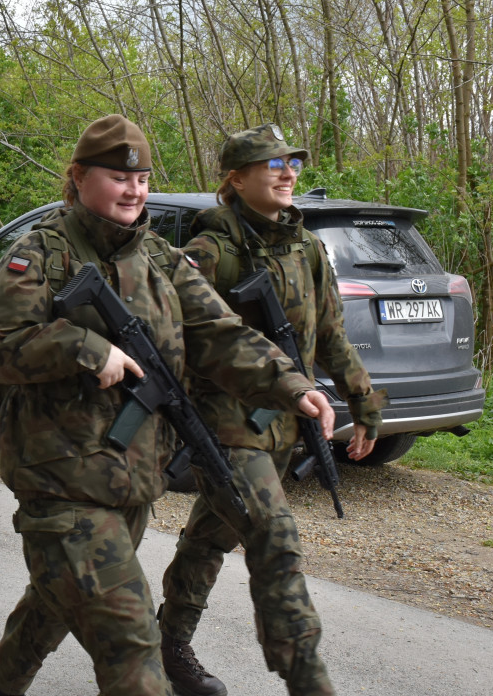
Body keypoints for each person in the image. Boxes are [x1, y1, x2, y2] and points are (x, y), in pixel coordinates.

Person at [0, 114, 335, 696]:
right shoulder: (40, 252)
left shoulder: (162, 259)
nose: (134, 190)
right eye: (118, 177)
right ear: (79, 177)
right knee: (133, 646)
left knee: (52, 606)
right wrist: (86, 347)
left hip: (131, 482)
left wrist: (292, 385)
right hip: (59, 483)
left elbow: (220, 333)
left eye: (140, 178)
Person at [155, 123, 386, 696]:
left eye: (294, 165)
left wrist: (364, 401)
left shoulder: (306, 246)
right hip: (227, 427)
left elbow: (330, 333)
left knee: (210, 538)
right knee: (275, 538)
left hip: (285, 423)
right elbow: (181, 339)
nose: (288, 174)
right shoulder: (211, 251)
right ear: (236, 179)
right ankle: (309, 681)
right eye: (273, 164)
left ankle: (167, 644)